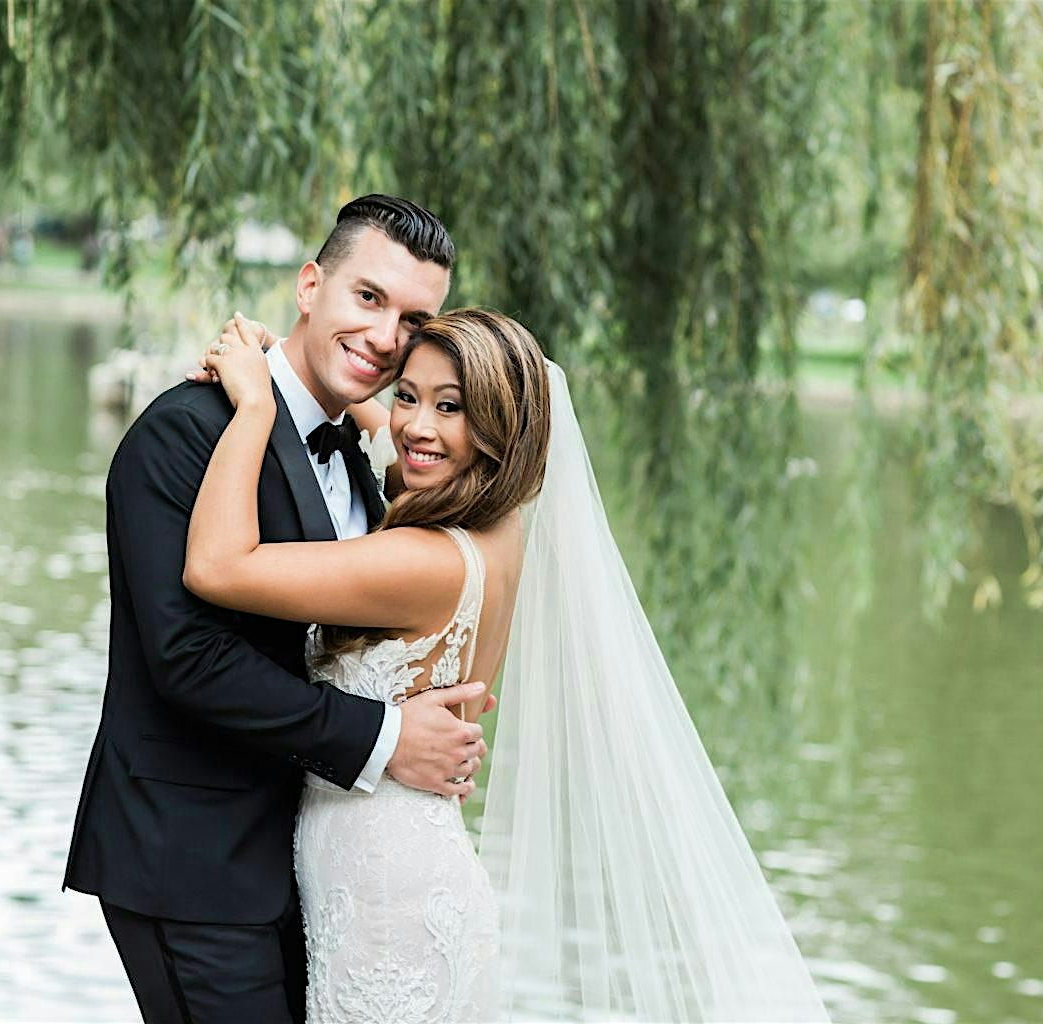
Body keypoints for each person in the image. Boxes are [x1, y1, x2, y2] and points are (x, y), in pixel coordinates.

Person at [191, 308, 831, 1022]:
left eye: (452, 406)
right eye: (409, 395)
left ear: (500, 428)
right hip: (402, 873)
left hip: (386, 901)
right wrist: (293, 364)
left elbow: (218, 567)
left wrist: (254, 404)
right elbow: (394, 433)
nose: (415, 426)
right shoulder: (498, 528)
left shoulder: (421, 562)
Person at [64, 196, 494, 1024]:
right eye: (367, 298)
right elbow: (188, 658)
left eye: (413, 319)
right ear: (309, 287)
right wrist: (387, 738)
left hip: (306, 864)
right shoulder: (182, 435)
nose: (383, 337)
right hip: (193, 858)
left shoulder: (375, 463)